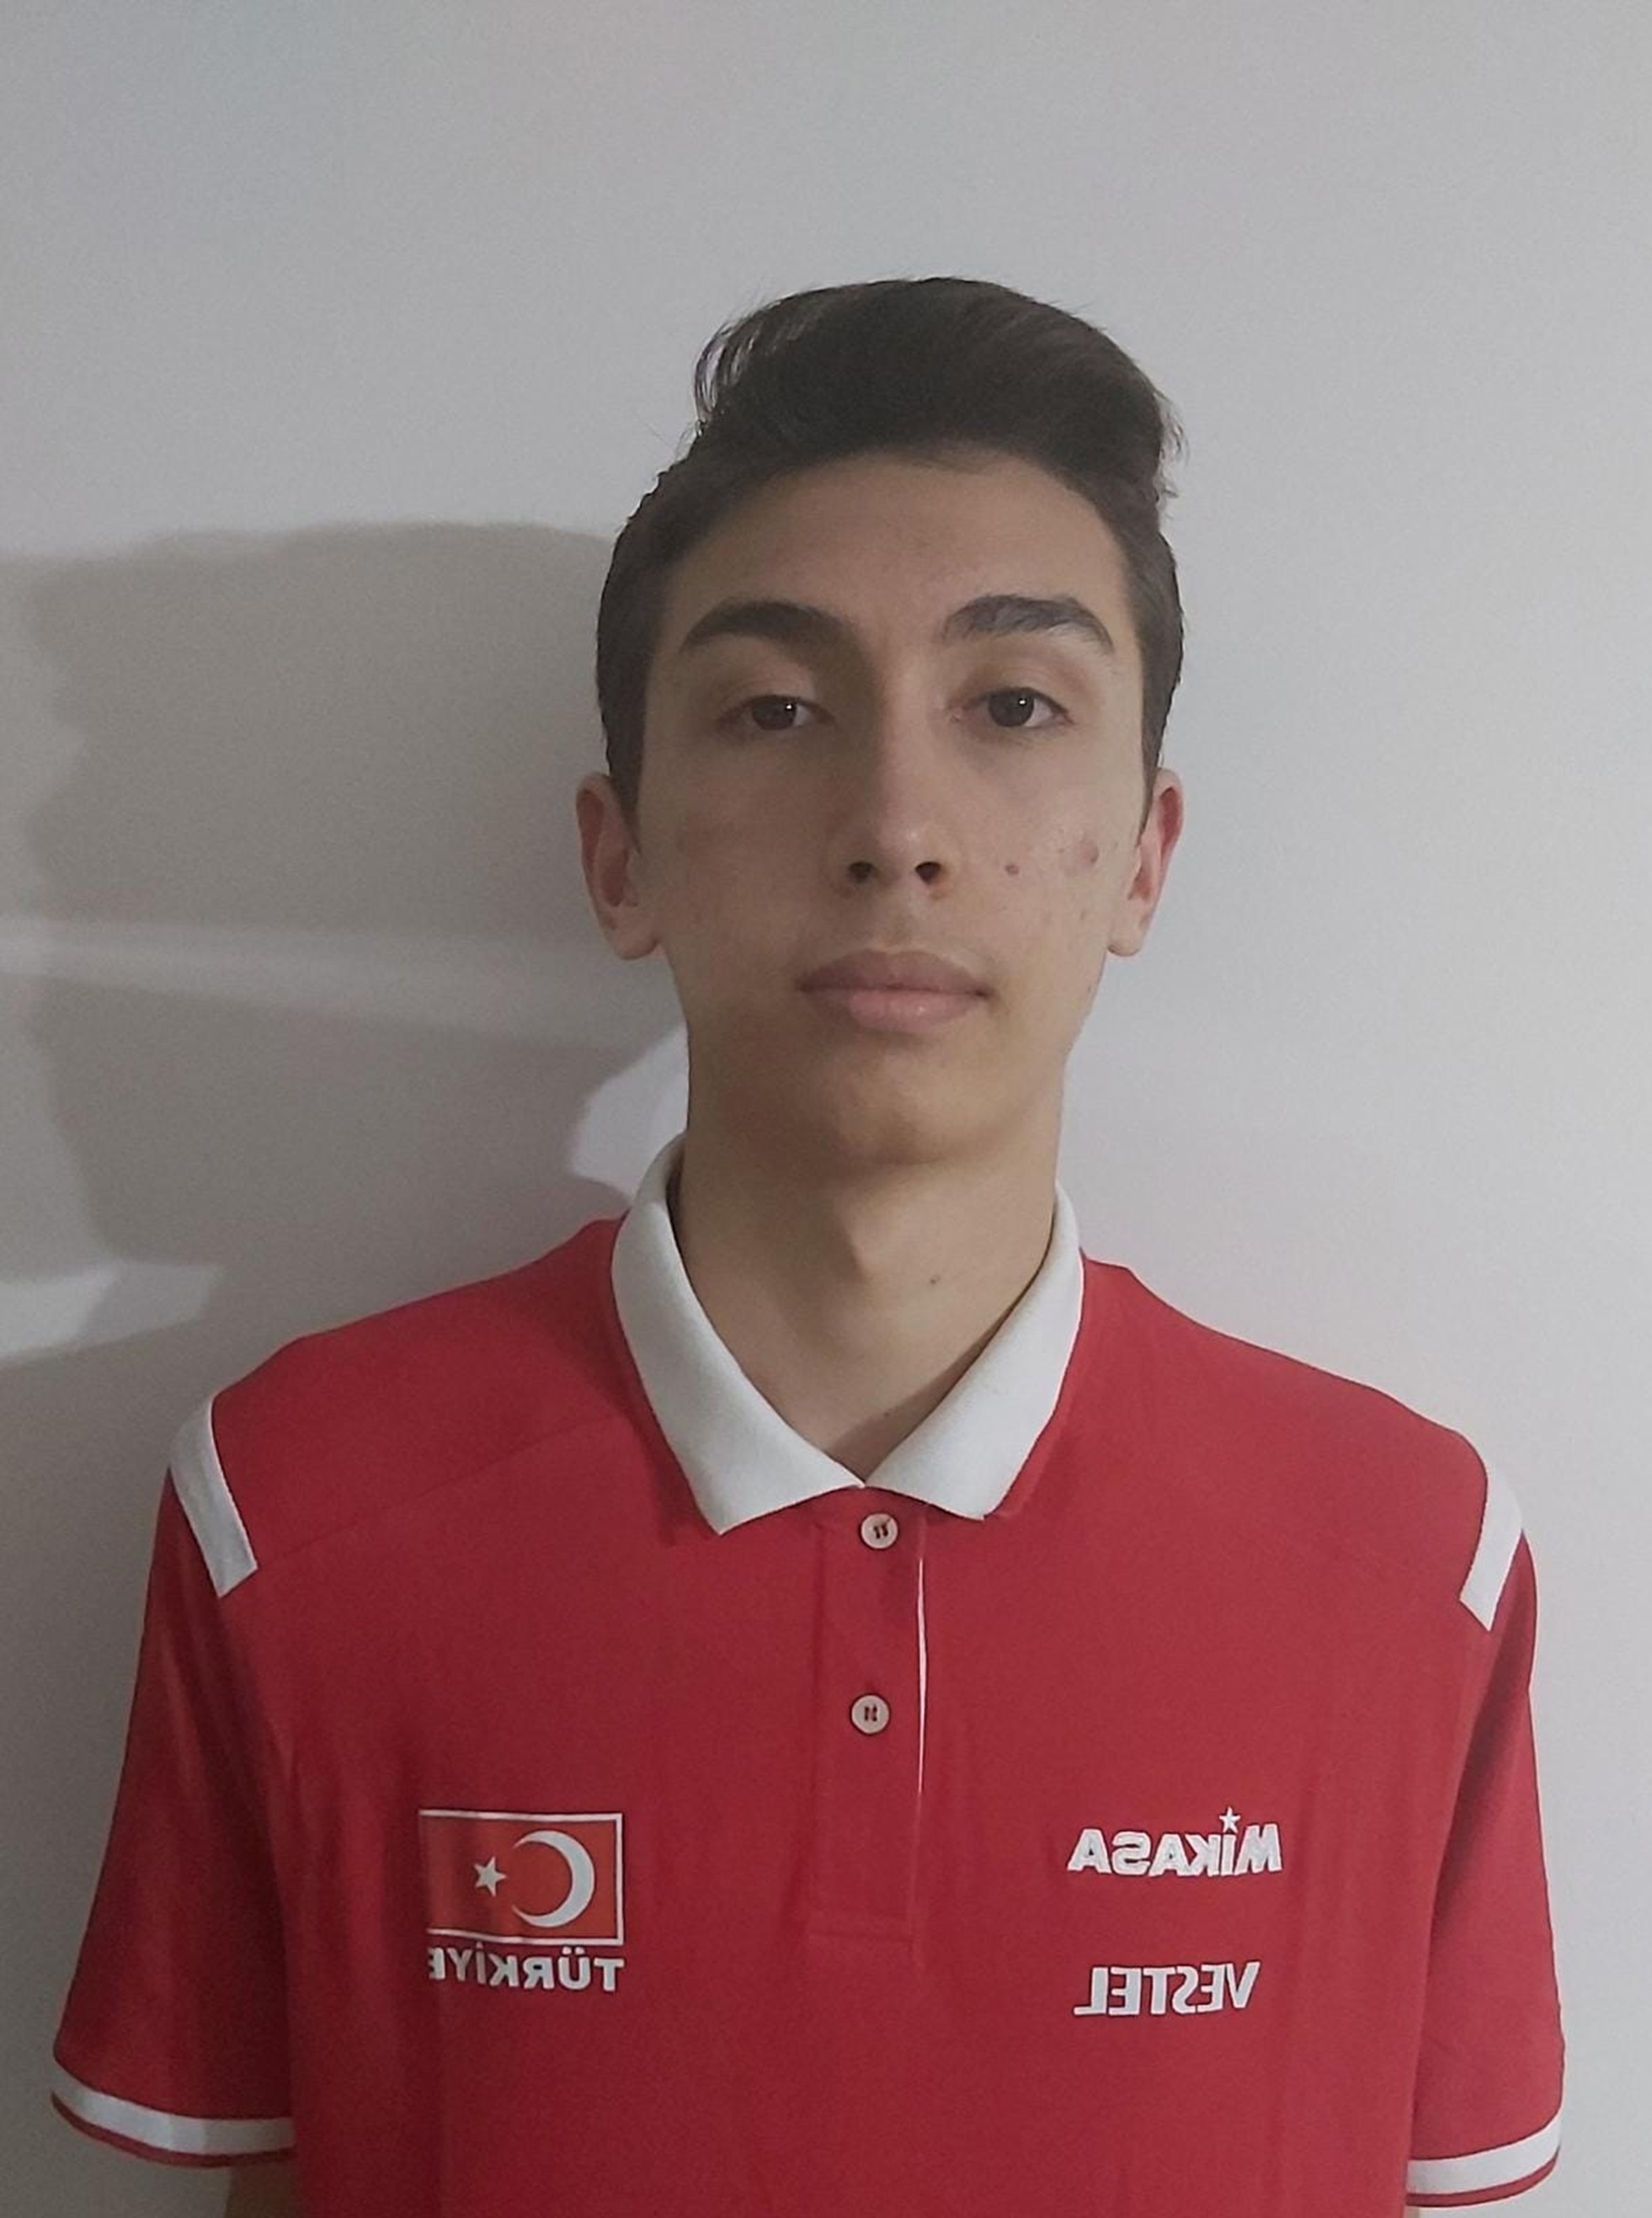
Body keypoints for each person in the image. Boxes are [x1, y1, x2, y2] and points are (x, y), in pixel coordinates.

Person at [49, 275, 1564, 2217]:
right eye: (775, 709)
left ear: (1146, 851)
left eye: (1010, 707)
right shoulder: (290, 1500)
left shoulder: (1412, 1557)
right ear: (619, 855)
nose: (894, 826)